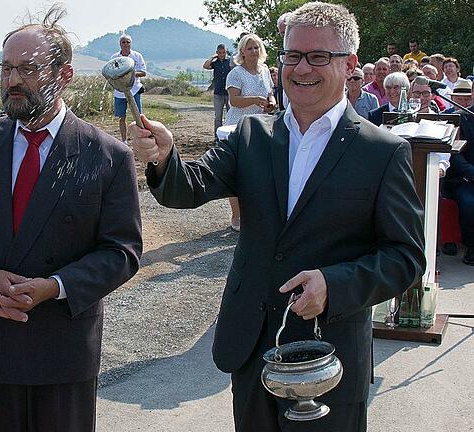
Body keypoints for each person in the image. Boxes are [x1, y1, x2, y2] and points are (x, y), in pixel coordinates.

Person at [129, 3, 425, 431]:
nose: (301, 68)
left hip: (330, 358)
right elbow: (187, 187)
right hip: (252, 349)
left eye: (318, 56)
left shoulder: (382, 151)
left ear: (350, 65)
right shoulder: (252, 135)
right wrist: (163, 157)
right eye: (292, 55)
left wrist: (334, 284)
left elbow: (405, 258)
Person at [0, 6, 143, 431]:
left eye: (26, 69)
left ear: (64, 75)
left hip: (61, 354)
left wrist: (54, 287)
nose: (11, 81)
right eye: (6, 68)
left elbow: (122, 251)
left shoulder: (107, 156)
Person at [224, 33, 275, 232]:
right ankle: (237, 215)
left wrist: (271, 102)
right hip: (238, 126)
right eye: (250, 48)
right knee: (237, 171)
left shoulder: (264, 71)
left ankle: (255, 214)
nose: (254, 51)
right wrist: (254, 99)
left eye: (257, 47)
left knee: (259, 173)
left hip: (261, 125)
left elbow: (269, 93)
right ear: (242, 52)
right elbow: (234, 101)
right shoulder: (236, 73)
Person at [446, 88, 474, 265]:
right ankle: (471, 246)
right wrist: (470, 171)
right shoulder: (462, 118)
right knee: (470, 204)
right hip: (466, 179)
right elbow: (454, 153)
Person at [110, 34, 146, 141]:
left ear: (131, 43)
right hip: (119, 92)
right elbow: (111, 73)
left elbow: (143, 72)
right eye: (123, 42)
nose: (126, 44)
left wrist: (130, 74)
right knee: (122, 118)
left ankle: (141, 139)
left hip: (134, 90)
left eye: (128, 42)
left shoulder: (137, 56)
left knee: (138, 117)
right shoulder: (114, 58)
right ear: (120, 44)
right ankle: (124, 141)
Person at [204, 43, 234, 134]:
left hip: (229, 93)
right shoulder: (215, 63)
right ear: (217, 52)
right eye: (220, 53)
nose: (222, 54)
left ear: (226, 52)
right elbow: (205, 66)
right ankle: (217, 137)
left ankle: (230, 136)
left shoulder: (230, 62)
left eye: (223, 52)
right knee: (218, 117)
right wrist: (213, 57)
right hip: (218, 93)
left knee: (231, 115)